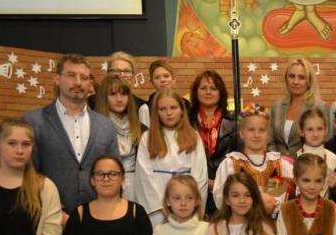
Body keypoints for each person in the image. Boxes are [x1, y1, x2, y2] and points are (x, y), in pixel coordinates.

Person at [24, 53, 120, 222]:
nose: (78, 82)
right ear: (57, 79)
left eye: (84, 78)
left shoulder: (106, 126)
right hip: (50, 219)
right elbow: (29, 173)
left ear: (90, 83)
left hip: (98, 219)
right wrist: (56, 212)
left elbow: (114, 174)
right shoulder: (33, 121)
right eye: (71, 75)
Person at [134, 88, 208, 226]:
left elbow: (200, 174)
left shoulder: (194, 136)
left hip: (187, 203)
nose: (168, 113)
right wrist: (161, 206)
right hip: (158, 207)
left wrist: (189, 202)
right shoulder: (147, 138)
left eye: (173, 107)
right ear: (156, 112)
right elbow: (144, 176)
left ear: (182, 110)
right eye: (162, 109)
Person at [212, 105, 295, 216]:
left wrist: (273, 204)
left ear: (268, 134)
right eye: (251, 130)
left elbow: (292, 196)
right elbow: (221, 199)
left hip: (274, 223)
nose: (257, 135)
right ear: (242, 133)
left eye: (262, 130)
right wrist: (256, 203)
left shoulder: (281, 164)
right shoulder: (230, 164)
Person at [187, 70, 237, 213]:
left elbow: (238, 158)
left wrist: (220, 182)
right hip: (193, 189)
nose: (208, 92)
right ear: (195, 92)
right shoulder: (186, 121)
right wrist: (204, 180)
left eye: (213, 88)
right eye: (203, 88)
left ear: (221, 93)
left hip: (226, 190)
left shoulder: (234, 123)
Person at [93, 75, 146, 201]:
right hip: (106, 187)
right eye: (113, 94)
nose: (119, 99)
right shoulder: (94, 127)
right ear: (104, 98)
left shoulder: (141, 129)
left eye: (123, 94)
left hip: (138, 187)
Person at [269, 58, 327, 156]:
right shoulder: (277, 107)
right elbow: (270, 141)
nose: (295, 81)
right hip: (277, 162)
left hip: (308, 163)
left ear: (309, 81)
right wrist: (277, 160)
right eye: (292, 76)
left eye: (301, 77)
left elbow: (325, 141)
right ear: (286, 79)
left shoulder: (320, 107)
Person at [295, 108, 336, 202]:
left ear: (326, 130)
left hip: (326, 210)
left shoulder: (333, 160)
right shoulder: (294, 159)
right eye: (310, 129)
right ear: (301, 131)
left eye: (319, 129)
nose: (315, 134)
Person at [105, 51, 149, 126]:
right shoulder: (93, 102)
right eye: (116, 70)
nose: (121, 75)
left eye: (126, 71)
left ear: (133, 75)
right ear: (108, 74)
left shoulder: (141, 107)